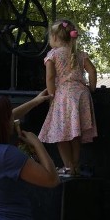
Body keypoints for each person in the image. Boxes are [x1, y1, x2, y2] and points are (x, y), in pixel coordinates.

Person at [37, 19, 97, 176]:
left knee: (60, 135)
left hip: (64, 97)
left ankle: (68, 168)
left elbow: (50, 78)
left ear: (55, 37)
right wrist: (91, 88)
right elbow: (92, 71)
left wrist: (51, 96)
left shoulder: (53, 55)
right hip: (81, 95)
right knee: (75, 134)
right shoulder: (78, 54)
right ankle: (75, 166)